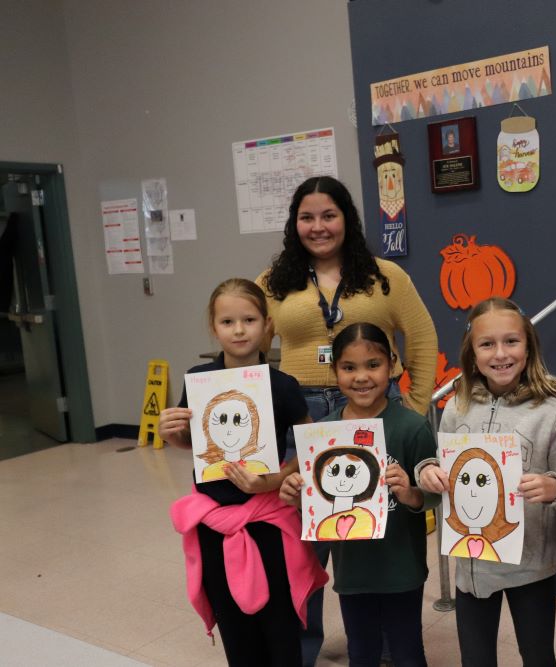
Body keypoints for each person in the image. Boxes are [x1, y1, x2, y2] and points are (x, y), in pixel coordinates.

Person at [257, 175, 438, 664]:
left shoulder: (384, 276)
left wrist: (410, 412)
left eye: (328, 215)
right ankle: (300, 648)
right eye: (307, 217)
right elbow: (247, 342)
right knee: (305, 544)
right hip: (302, 416)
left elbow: (421, 340)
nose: (318, 227)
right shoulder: (275, 282)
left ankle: (380, 648)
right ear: (294, 224)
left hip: (374, 409)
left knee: (370, 531)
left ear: (347, 219)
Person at [159, 278, 327, 666]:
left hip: (270, 522)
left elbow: (311, 451)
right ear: (213, 328)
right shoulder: (198, 381)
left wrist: (271, 480)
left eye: (249, 320)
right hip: (215, 527)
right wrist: (173, 436)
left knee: (281, 628)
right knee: (235, 627)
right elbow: (197, 447)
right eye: (228, 321)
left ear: (267, 325)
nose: (239, 330)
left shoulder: (283, 386)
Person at [416, 297, 556, 667]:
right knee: (475, 657)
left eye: (511, 342)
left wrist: (554, 487)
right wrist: (427, 471)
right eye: (487, 344)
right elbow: (443, 466)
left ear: (529, 347)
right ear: (472, 353)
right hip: (473, 562)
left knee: (537, 656)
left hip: (531, 563)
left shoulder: (552, 413)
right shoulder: (456, 407)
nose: (500, 353)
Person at [279, 323, 440, 667]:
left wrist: (410, 492)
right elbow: (319, 507)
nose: (361, 377)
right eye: (349, 368)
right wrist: (296, 497)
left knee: (408, 651)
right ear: (335, 370)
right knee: (361, 653)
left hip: (402, 568)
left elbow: (433, 495)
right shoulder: (325, 434)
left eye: (373, 365)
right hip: (352, 571)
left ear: (392, 365)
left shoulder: (411, 427)